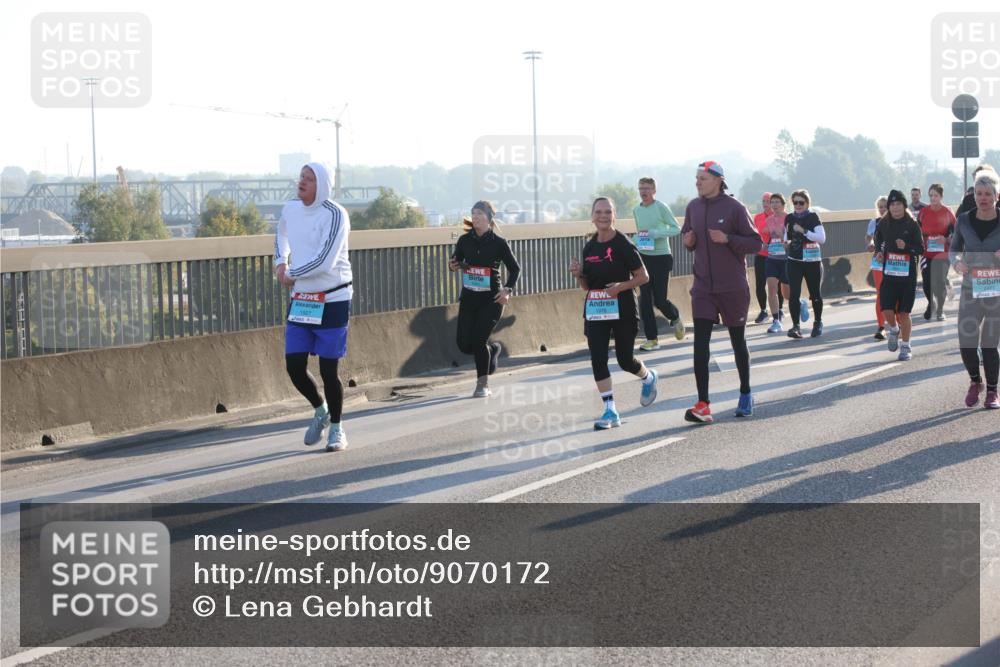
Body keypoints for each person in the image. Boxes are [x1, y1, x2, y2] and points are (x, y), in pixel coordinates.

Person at [275, 162, 354, 452]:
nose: (302, 182)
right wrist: (280, 262)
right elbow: (280, 233)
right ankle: (320, 410)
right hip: (303, 300)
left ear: (321, 184)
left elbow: (325, 262)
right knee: (294, 366)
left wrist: (291, 274)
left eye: (309, 178)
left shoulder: (335, 214)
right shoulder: (291, 208)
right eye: (301, 177)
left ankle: (337, 428)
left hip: (332, 298)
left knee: (328, 370)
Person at [680, 161, 762, 423]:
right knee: (700, 343)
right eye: (696, 179)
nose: (697, 183)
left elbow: (756, 242)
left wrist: (728, 239)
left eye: (702, 179)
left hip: (732, 287)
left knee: (738, 341)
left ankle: (746, 393)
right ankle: (703, 403)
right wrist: (688, 242)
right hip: (703, 286)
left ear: (718, 180)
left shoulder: (735, 208)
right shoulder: (693, 207)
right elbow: (686, 236)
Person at [570, 197, 658, 429]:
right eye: (598, 212)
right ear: (592, 216)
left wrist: (619, 288)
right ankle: (610, 410)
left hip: (623, 308)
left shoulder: (623, 244)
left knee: (624, 360)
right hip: (597, 309)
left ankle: (648, 377)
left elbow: (643, 277)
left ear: (614, 216)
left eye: (607, 212)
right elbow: (588, 287)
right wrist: (579, 274)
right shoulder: (589, 247)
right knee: (598, 359)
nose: (603, 216)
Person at [448, 201, 520, 398]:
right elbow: (455, 262)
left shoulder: (499, 243)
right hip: (470, 298)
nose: (476, 217)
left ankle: (483, 384)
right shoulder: (464, 240)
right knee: (464, 344)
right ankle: (493, 349)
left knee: (479, 340)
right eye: (473, 213)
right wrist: (453, 265)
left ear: (489, 218)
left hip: (492, 299)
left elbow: (515, 269)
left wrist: (507, 290)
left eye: (480, 213)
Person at [949, 169, 1000, 409]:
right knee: (967, 342)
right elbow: (954, 249)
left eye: (988, 194)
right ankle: (975, 381)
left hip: (996, 290)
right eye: (979, 193)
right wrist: (956, 262)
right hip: (971, 288)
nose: (983, 198)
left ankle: (992, 392)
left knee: (989, 343)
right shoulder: (964, 220)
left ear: (996, 196)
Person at [632, 177, 685, 350]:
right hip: (644, 256)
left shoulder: (661, 207)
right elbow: (641, 232)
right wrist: (636, 239)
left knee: (660, 300)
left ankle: (675, 318)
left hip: (662, 257)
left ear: (654, 191)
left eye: (647, 188)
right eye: (641, 188)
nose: (643, 192)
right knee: (645, 300)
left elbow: (676, 228)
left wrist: (658, 233)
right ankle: (652, 340)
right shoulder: (636, 210)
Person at [873, 189, 924, 361]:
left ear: (904, 205)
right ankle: (894, 329)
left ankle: (906, 345)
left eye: (898, 204)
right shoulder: (883, 223)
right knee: (886, 309)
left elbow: (920, 248)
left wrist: (906, 247)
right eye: (892, 205)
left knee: (904, 313)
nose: (895, 207)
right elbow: (878, 238)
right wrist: (880, 252)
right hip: (889, 274)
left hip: (907, 276)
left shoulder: (912, 224)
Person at [784, 189, 826, 338]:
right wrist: (786, 243)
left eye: (801, 202)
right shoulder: (789, 218)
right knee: (793, 294)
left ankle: (818, 322)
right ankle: (796, 327)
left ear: (807, 203)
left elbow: (821, 238)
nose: (798, 205)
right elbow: (787, 235)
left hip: (812, 261)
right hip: (794, 260)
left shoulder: (813, 217)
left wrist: (804, 231)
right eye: (795, 202)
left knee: (815, 293)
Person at [917, 183, 957, 321]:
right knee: (927, 281)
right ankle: (931, 304)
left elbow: (956, 233)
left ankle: (940, 310)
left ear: (941, 196)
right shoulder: (924, 212)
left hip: (942, 253)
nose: (933, 198)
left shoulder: (947, 212)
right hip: (927, 253)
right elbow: (917, 231)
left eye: (936, 195)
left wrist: (946, 239)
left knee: (939, 282)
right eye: (931, 195)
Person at [763, 193, 790, 333]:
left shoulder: (789, 218)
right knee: (771, 288)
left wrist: (782, 235)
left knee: (787, 294)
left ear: (783, 204)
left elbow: (792, 240)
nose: (774, 204)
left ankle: (800, 302)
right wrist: (765, 245)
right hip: (772, 258)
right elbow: (769, 237)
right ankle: (776, 320)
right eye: (772, 202)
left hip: (786, 259)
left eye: (777, 202)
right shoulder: (768, 219)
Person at [866, 196, 890, 340]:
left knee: (895, 294)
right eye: (880, 207)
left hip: (894, 262)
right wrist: (870, 244)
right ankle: (881, 327)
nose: (882, 209)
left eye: (885, 206)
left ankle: (897, 324)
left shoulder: (898, 222)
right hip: (878, 262)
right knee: (881, 294)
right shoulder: (874, 222)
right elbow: (868, 238)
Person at [752, 192, 774, 324]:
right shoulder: (757, 217)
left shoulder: (778, 217)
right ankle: (763, 310)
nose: (765, 204)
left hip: (775, 255)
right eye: (763, 201)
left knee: (775, 285)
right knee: (760, 284)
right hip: (760, 255)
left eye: (768, 201)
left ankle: (779, 310)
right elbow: (754, 233)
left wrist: (769, 244)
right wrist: (759, 244)